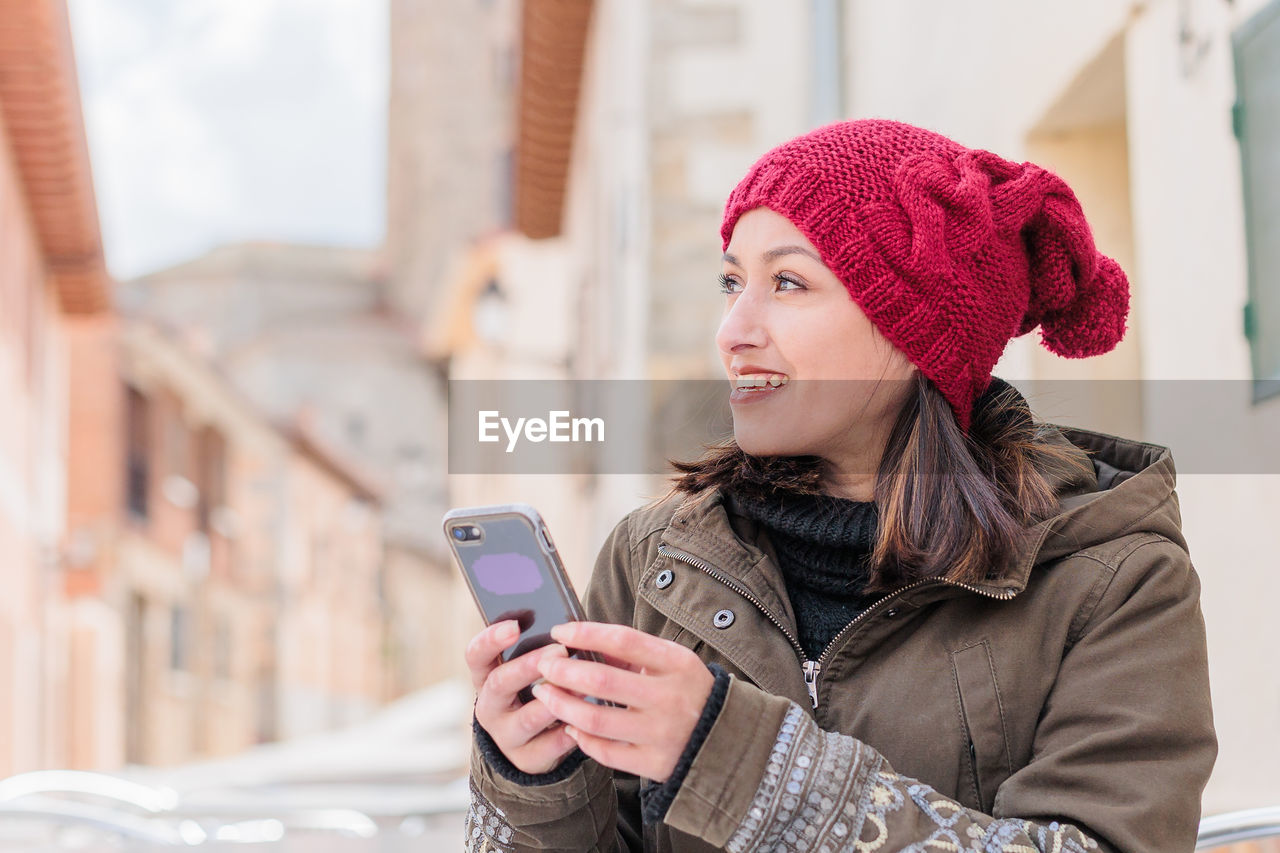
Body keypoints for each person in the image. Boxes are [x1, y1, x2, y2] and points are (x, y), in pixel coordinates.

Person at [462, 118, 1217, 852]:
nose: (732, 329)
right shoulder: (655, 558)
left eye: (787, 281)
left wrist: (733, 757)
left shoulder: (1113, 576)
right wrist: (538, 778)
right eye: (732, 281)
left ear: (914, 327)